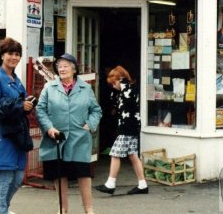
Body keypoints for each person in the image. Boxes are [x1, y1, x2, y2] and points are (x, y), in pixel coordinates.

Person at [36, 53, 102, 214]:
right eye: (59, 66)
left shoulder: (85, 88)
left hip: (79, 138)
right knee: (60, 175)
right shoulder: (49, 88)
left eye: (66, 66)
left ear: (74, 69)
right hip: (56, 139)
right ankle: (62, 209)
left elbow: (96, 110)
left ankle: (89, 210)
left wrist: (89, 125)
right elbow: (40, 110)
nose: (62, 69)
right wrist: (49, 128)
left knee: (83, 174)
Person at [0, 37, 35, 214]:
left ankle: (2, 209)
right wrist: (20, 106)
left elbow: (22, 103)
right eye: (10, 53)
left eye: (17, 54)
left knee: (18, 177)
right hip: (2, 136)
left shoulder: (15, 79)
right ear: (2, 55)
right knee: (4, 177)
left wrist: (28, 104)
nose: (14, 57)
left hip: (17, 135)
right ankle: (0, 211)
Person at [95, 65, 148, 195]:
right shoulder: (128, 90)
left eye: (114, 83)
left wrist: (122, 84)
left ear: (120, 79)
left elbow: (126, 102)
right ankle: (142, 184)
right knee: (133, 155)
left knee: (115, 153)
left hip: (127, 127)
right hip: (132, 126)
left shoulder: (127, 90)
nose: (113, 86)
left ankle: (110, 183)